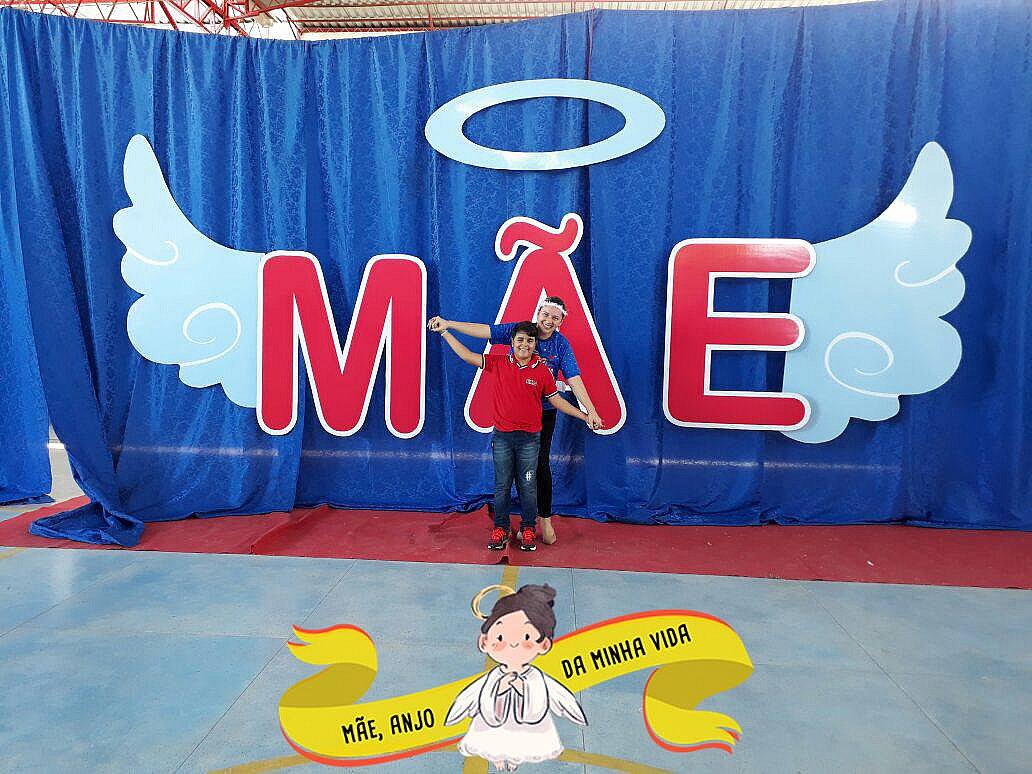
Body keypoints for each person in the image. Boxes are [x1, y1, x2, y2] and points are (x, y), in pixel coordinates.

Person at [428, 297, 602, 545]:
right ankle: (505, 525)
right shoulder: (519, 333)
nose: (548, 321)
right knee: (505, 479)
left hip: (542, 412)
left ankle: (542, 520)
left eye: (555, 317)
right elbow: (483, 332)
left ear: (561, 322)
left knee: (539, 467)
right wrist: (448, 325)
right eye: (545, 314)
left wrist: (590, 411)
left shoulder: (560, 346)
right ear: (537, 313)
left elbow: (573, 379)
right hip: (510, 419)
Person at [445, 584, 587, 771]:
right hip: (494, 721)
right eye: (500, 637)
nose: (512, 644)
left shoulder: (535, 677)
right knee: (493, 739)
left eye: (526, 637)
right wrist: (500, 688)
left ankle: (514, 759)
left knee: (522, 743)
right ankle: (496, 756)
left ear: (544, 644)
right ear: (484, 641)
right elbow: (473, 696)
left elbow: (553, 696)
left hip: (527, 724)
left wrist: (523, 688)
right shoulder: (494, 677)